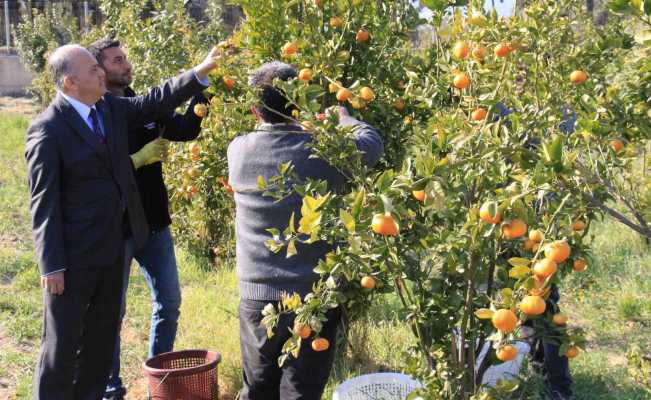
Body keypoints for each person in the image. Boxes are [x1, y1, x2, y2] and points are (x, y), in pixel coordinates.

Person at [26, 43, 220, 400]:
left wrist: (200, 73)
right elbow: (44, 203)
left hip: (113, 249)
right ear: (70, 82)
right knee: (62, 347)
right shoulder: (48, 130)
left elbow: (153, 101)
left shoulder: (109, 109)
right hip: (72, 259)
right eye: (93, 70)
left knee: (100, 342)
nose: (102, 73)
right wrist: (51, 265)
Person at [227, 61, 384, 400]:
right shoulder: (324, 153)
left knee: (257, 389)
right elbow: (371, 142)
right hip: (314, 296)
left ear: (255, 109)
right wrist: (343, 119)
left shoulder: (237, 150)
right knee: (301, 391)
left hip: (257, 294)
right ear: (301, 102)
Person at [85, 38, 209, 400]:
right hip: (117, 227)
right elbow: (96, 170)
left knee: (169, 301)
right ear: (99, 71)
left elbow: (185, 130)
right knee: (112, 312)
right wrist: (138, 156)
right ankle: (111, 388)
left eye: (125, 58)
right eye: (117, 60)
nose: (126, 65)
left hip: (154, 222)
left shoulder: (142, 105)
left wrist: (206, 94)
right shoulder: (97, 113)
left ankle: (161, 380)